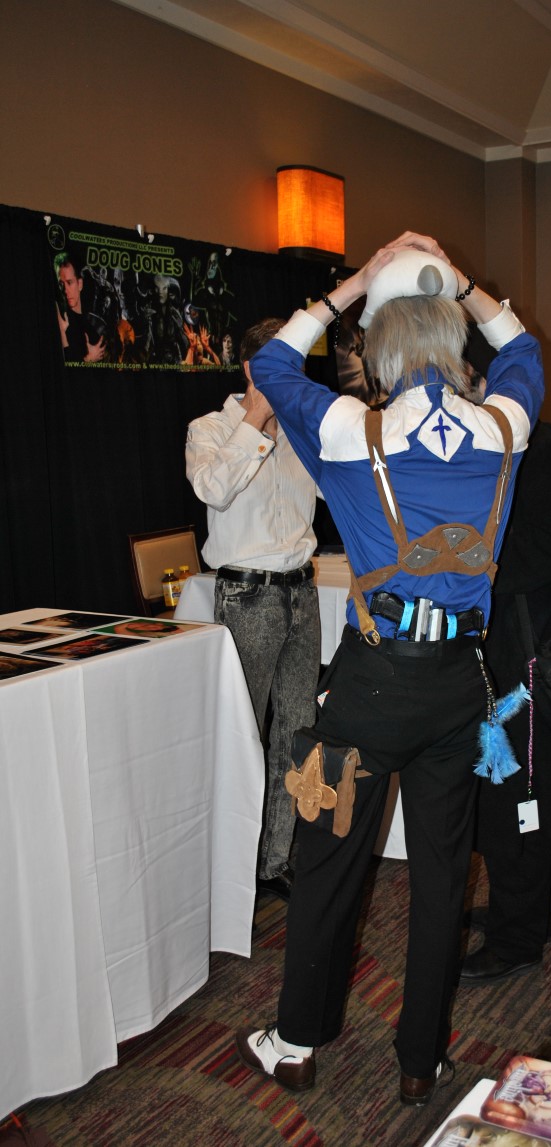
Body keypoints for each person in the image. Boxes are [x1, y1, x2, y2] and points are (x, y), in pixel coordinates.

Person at [232, 232, 544, 1106]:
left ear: (376, 346)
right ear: (451, 334)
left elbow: (273, 361)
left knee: (328, 859)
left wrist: (352, 283)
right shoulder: (505, 423)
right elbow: (522, 349)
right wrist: (463, 281)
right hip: (458, 688)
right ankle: (421, 1058)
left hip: (368, 689)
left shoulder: (348, 427)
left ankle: (297, 1040)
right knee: (443, 874)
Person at [185, 319, 321, 902]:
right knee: (245, 734)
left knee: (297, 729)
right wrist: (258, 418)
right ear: (251, 369)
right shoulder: (210, 428)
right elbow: (213, 490)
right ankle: (232, 863)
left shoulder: (302, 430)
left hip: (302, 593)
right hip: (247, 597)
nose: (294, 376)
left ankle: (275, 858)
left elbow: (339, 487)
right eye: (282, 365)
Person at [459, 421, 551, 985]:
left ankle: (517, 936)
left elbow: (543, 548)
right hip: (525, 654)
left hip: (527, 664)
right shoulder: (530, 444)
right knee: (523, 796)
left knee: (516, 799)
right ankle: (532, 915)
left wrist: (470, 556)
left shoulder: (540, 448)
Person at [54, 253, 106, 363]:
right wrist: (88, 359)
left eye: (69, 282)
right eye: (61, 284)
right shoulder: (62, 323)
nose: (66, 290)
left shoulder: (91, 325)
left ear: (80, 284)